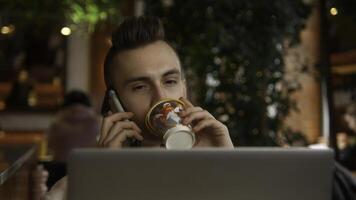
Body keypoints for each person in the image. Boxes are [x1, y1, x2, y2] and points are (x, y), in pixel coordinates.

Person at [41, 16, 234, 200]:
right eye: (140, 87)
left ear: (184, 88)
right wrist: (98, 177)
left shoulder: (215, 163)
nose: (162, 98)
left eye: (170, 81)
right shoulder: (79, 184)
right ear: (115, 103)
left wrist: (229, 167)